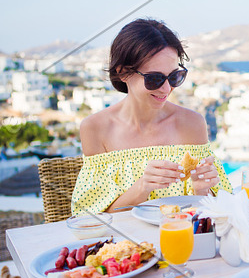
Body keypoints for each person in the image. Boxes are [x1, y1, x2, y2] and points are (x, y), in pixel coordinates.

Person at [71, 18, 232, 215]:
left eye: (174, 77)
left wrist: (201, 190)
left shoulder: (192, 124)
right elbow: (92, 218)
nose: (166, 89)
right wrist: (143, 187)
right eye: (154, 78)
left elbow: (216, 212)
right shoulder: (95, 128)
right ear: (123, 73)